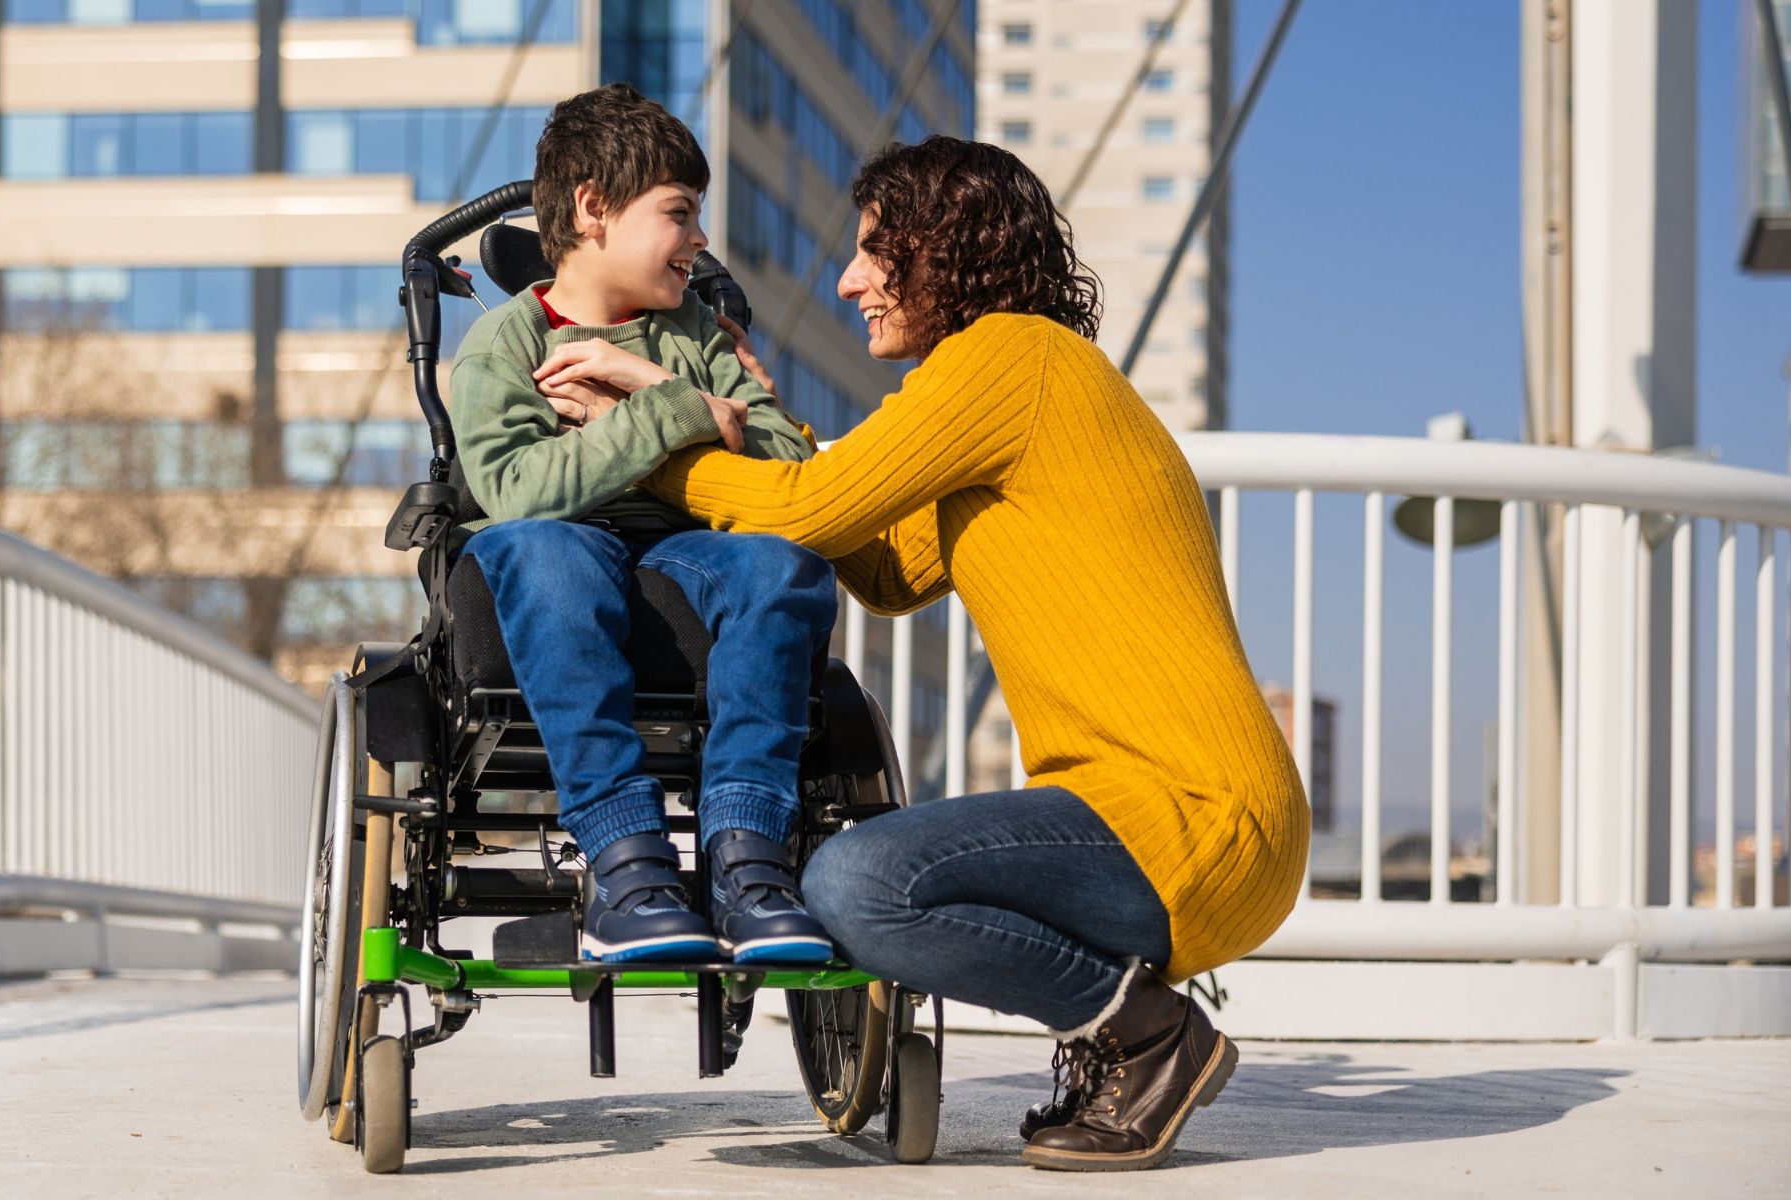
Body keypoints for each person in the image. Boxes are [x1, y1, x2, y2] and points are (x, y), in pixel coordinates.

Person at [532, 135, 1309, 1171]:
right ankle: (1129, 1035)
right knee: (861, 879)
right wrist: (753, 430)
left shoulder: (1012, 360)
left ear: (941, 251)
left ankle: (1147, 1036)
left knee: (856, 884)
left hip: (1191, 814)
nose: (849, 281)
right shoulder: (1010, 386)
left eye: (870, 251)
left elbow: (807, 511)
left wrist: (659, 435)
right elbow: (885, 570)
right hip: (1172, 819)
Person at [446, 84, 836, 965]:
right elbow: (517, 490)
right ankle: (628, 864)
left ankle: (747, 857)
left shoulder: (697, 332)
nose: (700, 239)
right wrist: (690, 415)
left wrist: (651, 385)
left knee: (785, 567)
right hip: (556, 549)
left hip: (683, 547)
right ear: (593, 209)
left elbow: (784, 464)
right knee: (548, 550)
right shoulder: (505, 345)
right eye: (680, 213)